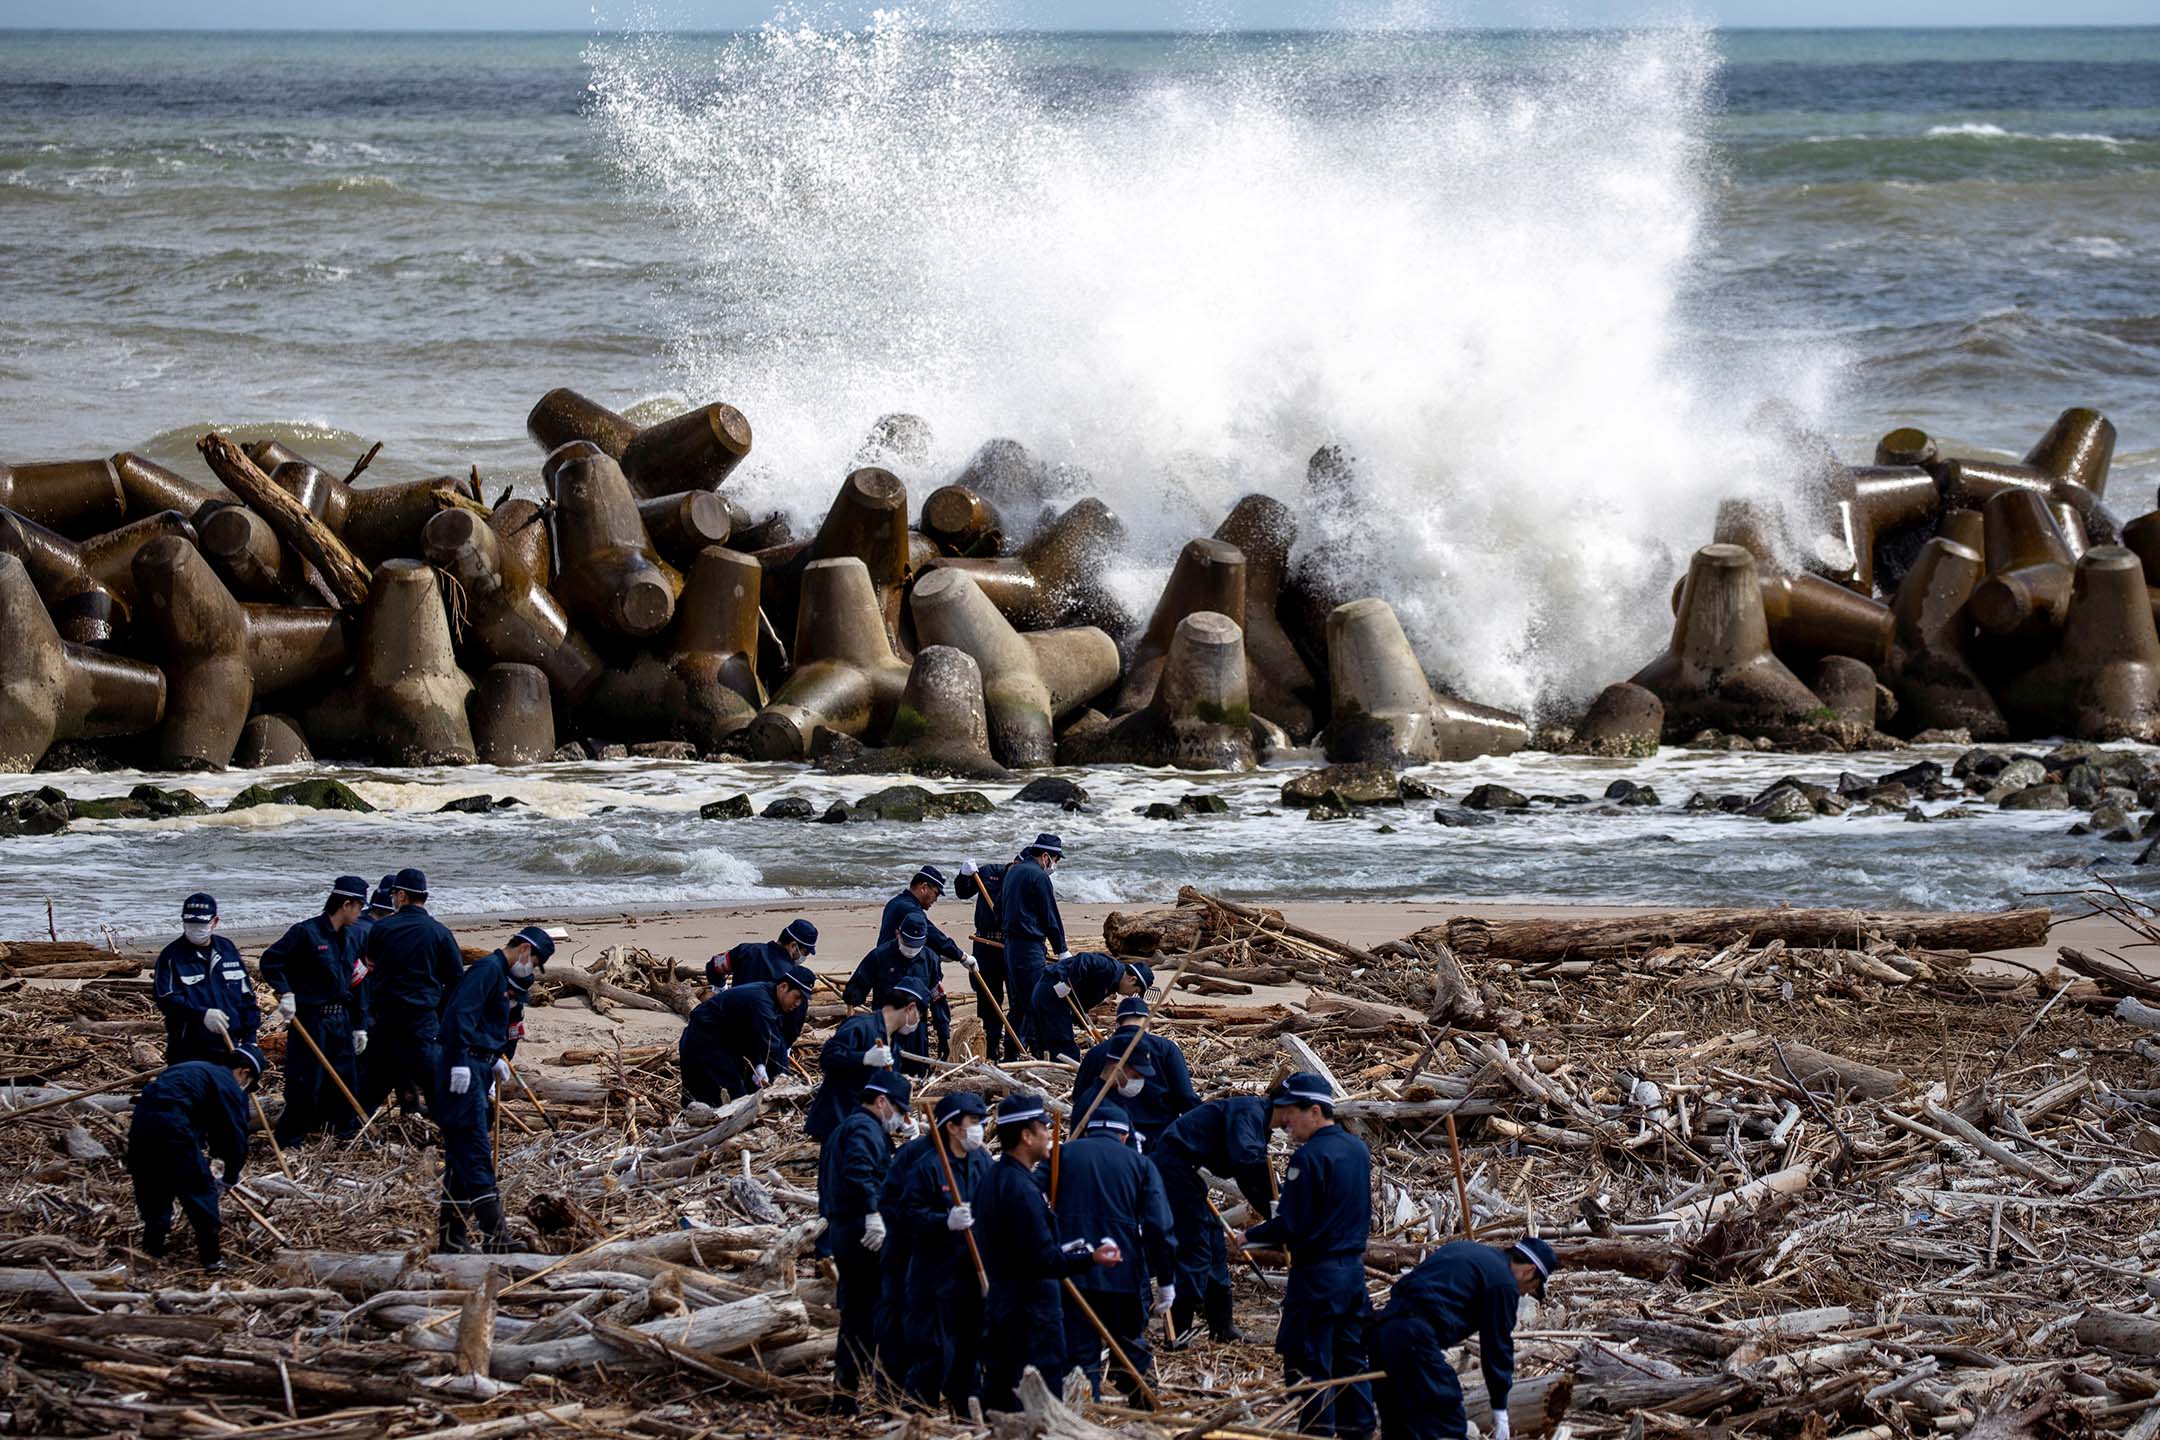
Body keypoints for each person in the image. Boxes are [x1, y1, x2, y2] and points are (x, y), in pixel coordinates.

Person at [975, 1091, 1122, 1414]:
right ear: (1026, 1136)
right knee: (1034, 1398)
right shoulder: (1022, 1190)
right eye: (1044, 1129)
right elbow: (1042, 1260)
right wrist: (1090, 1257)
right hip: (1031, 1313)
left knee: (1003, 1389)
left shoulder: (994, 1179)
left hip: (1004, 1305)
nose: (1049, 1136)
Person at [1244, 1073, 1374, 1438]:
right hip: (1352, 1273)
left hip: (1317, 1276)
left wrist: (1251, 1236)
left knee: (1309, 1361)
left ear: (1314, 1111)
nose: (1286, 1125)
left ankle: (1317, 1432)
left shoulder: (1309, 1157)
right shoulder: (1357, 1149)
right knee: (1350, 1359)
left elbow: (1293, 1224)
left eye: (1291, 1116)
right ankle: (1359, 1431)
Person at [435, 925, 556, 1253]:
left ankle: (451, 1238)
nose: (531, 968)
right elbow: (458, 1016)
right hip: (464, 1067)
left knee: (462, 1156)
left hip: (477, 1063)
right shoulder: (488, 970)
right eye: (535, 961)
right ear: (525, 951)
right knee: (474, 1151)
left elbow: (485, 1024)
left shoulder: (496, 974)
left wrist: (494, 1058)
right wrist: (461, 1058)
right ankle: (496, 1236)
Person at [1054, 1101, 1179, 1405]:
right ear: (1125, 1136)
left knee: (1080, 1352)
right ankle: (1146, 1407)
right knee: (1129, 1345)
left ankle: (1084, 1414)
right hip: (1122, 1273)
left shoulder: (1063, 1156)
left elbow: (1035, 1199)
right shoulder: (1140, 1164)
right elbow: (1159, 1227)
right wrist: (1165, 1281)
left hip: (1073, 1270)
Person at [1372, 1238, 1556, 1440]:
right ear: (1529, 1271)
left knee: (1401, 1426)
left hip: (1382, 1331)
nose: (1525, 1293)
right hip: (1414, 1338)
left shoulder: (1467, 1250)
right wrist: (1500, 1408)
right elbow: (1496, 1346)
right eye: (1533, 1287)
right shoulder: (1503, 1283)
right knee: (1447, 1421)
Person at [885, 1091, 993, 1416]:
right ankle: (918, 1414)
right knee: (930, 1350)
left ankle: (965, 1413)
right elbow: (905, 1213)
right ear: (952, 1127)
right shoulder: (928, 1167)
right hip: (934, 1273)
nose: (979, 1129)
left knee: (969, 1348)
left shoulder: (982, 1161)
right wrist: (943, 1220)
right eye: (973, 1122)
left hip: (972, 1272)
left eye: (981, 1123)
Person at [818, 1068, 911, 1410]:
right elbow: (860, 1171)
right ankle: (855, 1394)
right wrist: (873, 1211)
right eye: (900, 1110)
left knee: (858, 1314)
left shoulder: (853, 1127)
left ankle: (846, 1394)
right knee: (869, 1312)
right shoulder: (863, 1128)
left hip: (848, 1230)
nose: (900, 1118)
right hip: (862, 1233)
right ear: (882, 1101)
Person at [1154, 1089, 1277, 1345]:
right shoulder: (1250, 1113)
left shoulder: (1255, 1116)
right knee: (1194, 1248)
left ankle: (1222, 1327)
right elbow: (1247, 1163)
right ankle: (1177, 1332)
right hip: (1174, 1169)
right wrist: (1276, 1211)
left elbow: (1248, 1171)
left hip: (1189, 1171)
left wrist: (1275, 1211)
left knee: (1215, 1246)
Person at [128, 1044, 266, 1272]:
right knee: (199, 1190)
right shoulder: (226, 1083)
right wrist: (230, 1176)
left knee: (154, 1185)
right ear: (244, 1072)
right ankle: (212, 1258)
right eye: (248, 1083)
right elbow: (233, 1135)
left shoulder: (193, 1069)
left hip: (142, 1128)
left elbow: (200, 1120)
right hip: (173, 1130)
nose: (244, 1087)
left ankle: (152, 1248)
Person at [259, 876, 371, 1145]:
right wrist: (286, 993)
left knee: (345, 1077)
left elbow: (357, 982)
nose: (360, 913)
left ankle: (343, 1133)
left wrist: (359, 1025)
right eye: (358, 907)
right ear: (346, 904)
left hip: (341, 1019)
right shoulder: (306, 933)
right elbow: (271, 961)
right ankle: (290, 1137)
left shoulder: (352, 937)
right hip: (311, 1018)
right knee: (305, 1081)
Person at [359, 867, 463, 1118]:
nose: (393, 899)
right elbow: (457, 979)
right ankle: (448, 1131)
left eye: (394, 894)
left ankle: (353, 1129)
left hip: (386, 1020)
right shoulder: (439, 932)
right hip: (422, 1020)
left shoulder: (382, 929)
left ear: (402, 896)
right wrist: (439, 1010)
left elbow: (368, 967)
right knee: (434, 1085)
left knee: (371, 1087)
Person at [807, 978, 929, 1143]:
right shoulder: (861, 1026)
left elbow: (887, 1089)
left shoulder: (894, 1045)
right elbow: (828, 1058)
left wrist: (900, 1119)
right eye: (919, 1016)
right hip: (835, 1123)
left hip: (863, 1129)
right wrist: (863, 1058)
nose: (917, 1023)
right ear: (911, 1008)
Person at [679, 964, 816, 1106]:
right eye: (797, 997)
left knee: (735, 1088)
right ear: (783, 987)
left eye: (802, 1000)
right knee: (727, 1091)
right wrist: (784, 1083)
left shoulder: (772, 998)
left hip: (724, 1040)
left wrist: (759, 1063)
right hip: (703, 1038)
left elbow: (761, 1038)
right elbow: (771, 1044)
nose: (798, 1003)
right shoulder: (761, 1003)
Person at [1073, 997, 1201, 1147]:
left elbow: (1080, 1097)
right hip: (1159, 1139)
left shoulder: (1096, 1054)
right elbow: (1186, 1098)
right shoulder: (1166, 1049)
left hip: (1112, 1137)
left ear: (1117, 1025)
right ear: (1148, 1024)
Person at [151, 892, 261, 1066]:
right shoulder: (171, 956)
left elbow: (246, 996)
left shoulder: (227, 949)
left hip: (230, 1047)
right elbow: (166, 1000)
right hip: (188, 1049)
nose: (196, 929)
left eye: (201, 924)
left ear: (215, 922)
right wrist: (202, 1015)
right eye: (191, 923)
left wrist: (250, 1039)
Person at [843, 913, 951, 1061]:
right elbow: (858, 985)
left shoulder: (930, 959)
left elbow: (937, 998)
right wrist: (853, 995)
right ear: (898, 934)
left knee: (917, 1075)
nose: (911, 950)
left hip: (916, 1031)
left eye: (916, 945)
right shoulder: (879, 956)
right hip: (886, 1029)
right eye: (908, 943)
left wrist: (943, 1035)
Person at [998, 834, 1066, 1056]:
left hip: (1010, 947)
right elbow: (1049, 915)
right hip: (1029, 947)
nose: (1054, 865)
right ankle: (1038, 1055)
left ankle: (1011, 1054)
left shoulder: (1013, 871)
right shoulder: (1038, 876)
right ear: (1046, 856)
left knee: (1018, 1005)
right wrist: (1062, 949)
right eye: (1055, 859)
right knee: (1036, 1003)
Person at [953, 856, 1017, 1060]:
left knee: (1017, 998)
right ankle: (990, 1045)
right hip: (985, 943)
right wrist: (964, 875)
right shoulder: (989, 873)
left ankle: (1014, 1045)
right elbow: (963, 892)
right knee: (988, 997)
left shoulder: (1029, 879)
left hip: (1011, 944)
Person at [706, 917, 817, 990]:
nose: (804, 957)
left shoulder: (745, 950)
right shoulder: (790, 974)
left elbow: (713, 966)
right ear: (793, 946)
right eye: (805, 952)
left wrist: (721, 987)